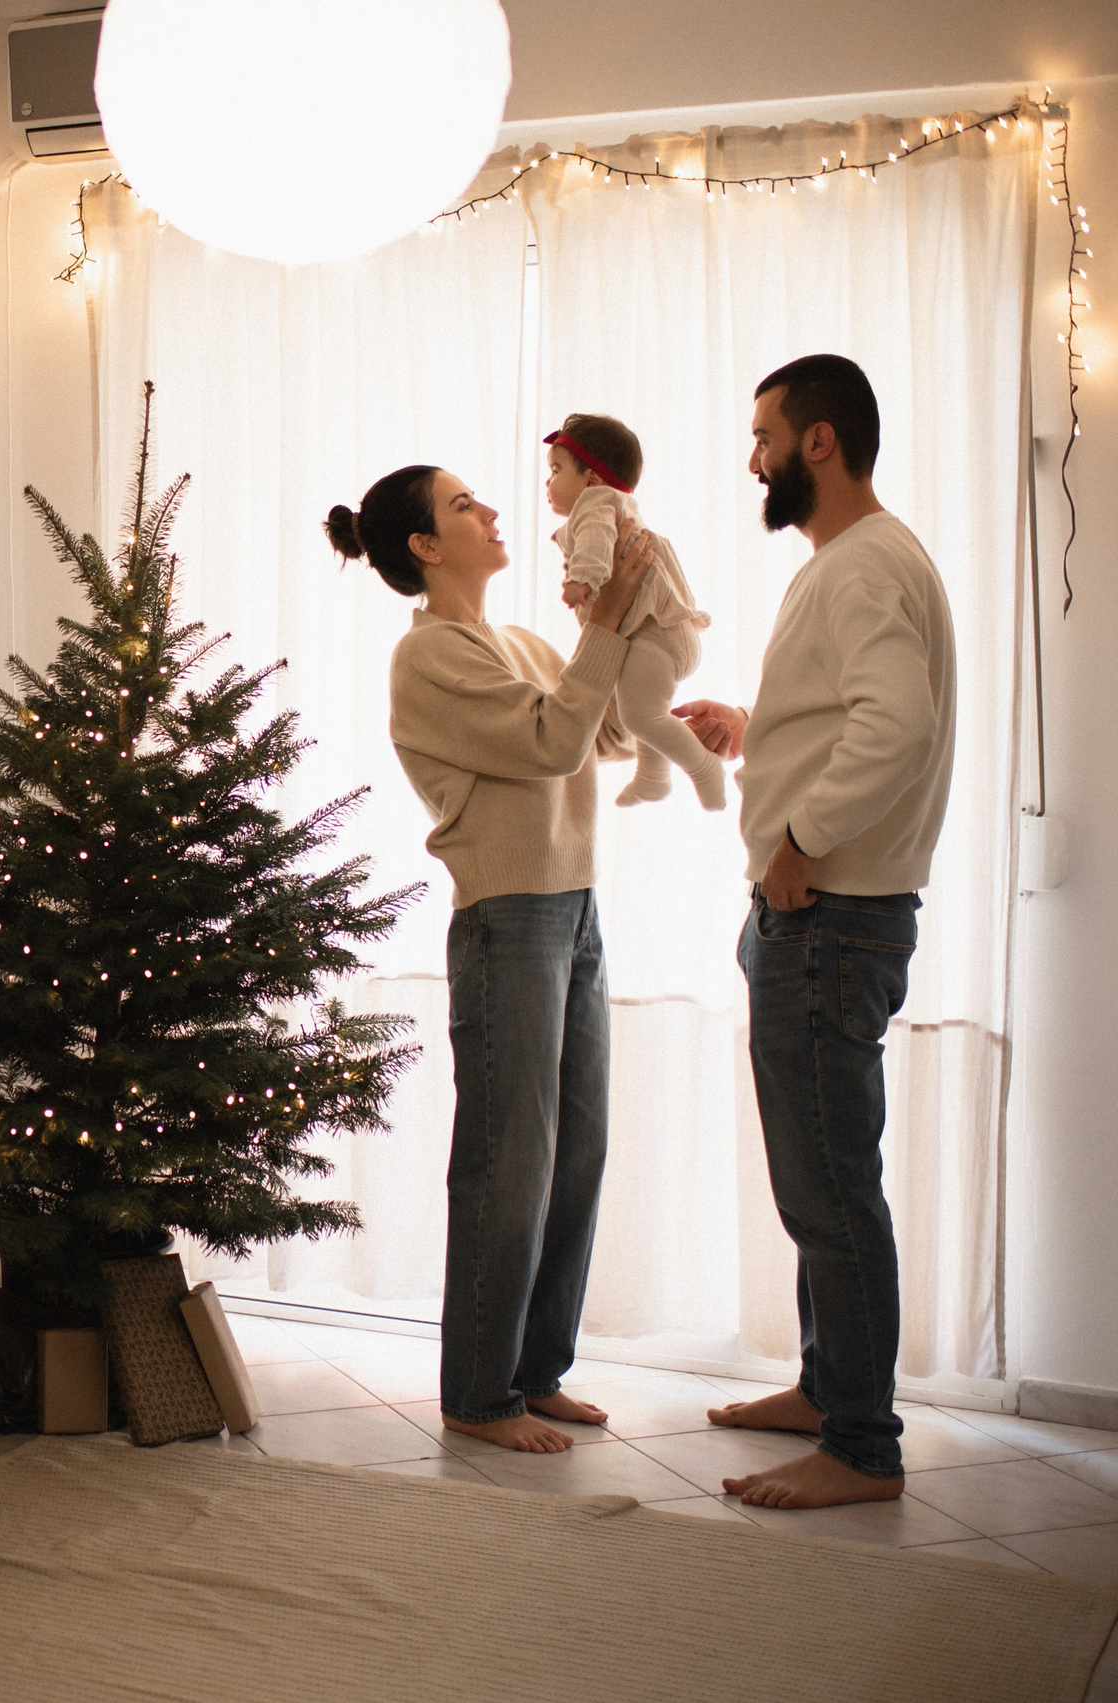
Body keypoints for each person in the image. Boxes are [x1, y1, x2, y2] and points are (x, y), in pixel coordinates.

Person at [675, 354, 957, 1509]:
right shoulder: (862, 564)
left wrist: (797, 835)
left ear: (820, 443)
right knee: (819, 1180)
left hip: (826, 918)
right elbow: (851, 715)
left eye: (764, 436)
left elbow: (896, 726)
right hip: (827, 915)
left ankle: (859, 1444)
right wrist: (755, 731)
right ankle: (824, 1386)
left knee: (832, 1188)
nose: (753, 458)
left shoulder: (858, 567)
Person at [328, 466, 654, 1454]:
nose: (492, 512)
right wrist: (603, 634)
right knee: (508, 1159)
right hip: (509, 918)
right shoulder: (424, 659)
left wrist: (615, 619)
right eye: (463, 505)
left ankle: (533, 1369)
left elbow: (605, 730)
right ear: (424, 546)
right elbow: (556, 741)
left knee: (576, 1149)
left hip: (573, 906)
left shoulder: (513, 640)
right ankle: (477, 1390)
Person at [544, 413, 724, 810]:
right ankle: (652, 777)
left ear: (591, 479)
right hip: (664, 634)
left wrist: (582, 581)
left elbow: (595, 545)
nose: (548, 481)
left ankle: (703, 767)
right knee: (642, 713)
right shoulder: (617, 506)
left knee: (641, 717)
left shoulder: (595, 505)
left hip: (655, 635)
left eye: (556, 469)